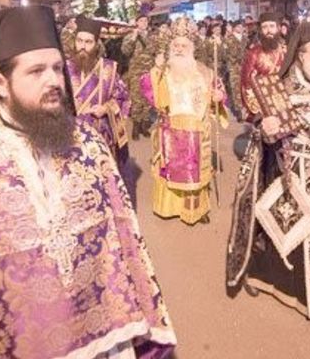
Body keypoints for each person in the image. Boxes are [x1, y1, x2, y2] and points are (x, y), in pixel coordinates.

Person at [0, 6, 176, 359]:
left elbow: (125, 236)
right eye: (37, 71)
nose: (55, 80)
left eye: (57, 68)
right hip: (12, 344)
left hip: (103, 335)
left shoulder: (88, 142)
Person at [226, 18, 310, 320]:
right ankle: (279, 283)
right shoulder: (282, 90)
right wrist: (265, 127)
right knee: (287, 237)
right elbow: (263, 135)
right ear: (299, 56)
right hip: (291, 178)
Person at [142, 17, 228, 225]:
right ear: (171, 48)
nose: (179, 49)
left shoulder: (205, 72)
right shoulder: (163, 71)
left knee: (195, 172)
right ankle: (169, 208)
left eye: (184, 46)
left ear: (191, 48)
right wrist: (156, 71)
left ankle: (195, 211)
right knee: (170, 170)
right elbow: (148, 90)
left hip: (196, 130)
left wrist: (219, 97)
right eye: (176, 46)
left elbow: (219, 93)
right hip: (171, 130)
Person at [66, 16, 130, 163]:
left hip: (100, 136)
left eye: (88, 42)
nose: (82, 46)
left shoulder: (108, 68)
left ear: (96, 44)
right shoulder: (64, 68)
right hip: (70, 136)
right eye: (79, 41)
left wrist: (106, 108)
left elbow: (123, 98)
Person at [240, 12, 286, 122]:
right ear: (261, 30)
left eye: (271, 26)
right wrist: (257, 109)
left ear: (278, 28)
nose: (268, 30)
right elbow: (246, 83)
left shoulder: (286, 51)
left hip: (284, 104)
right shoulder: (254, 53)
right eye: (264, 27)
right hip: (262, 105)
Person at [121, 14, 155, 139]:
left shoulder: (151, 37)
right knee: (136, 100)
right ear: (136, 22)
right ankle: (136, 126)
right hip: (135, 72)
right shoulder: (130, 36)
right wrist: (134, 38)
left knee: (147, 100)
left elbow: (153, 50)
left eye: (145, 20)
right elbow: (125, 51)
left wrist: (144, 37)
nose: (144, 22)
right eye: (141, 20)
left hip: (148, 72)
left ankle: (143, 126)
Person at [224, 20, 249, 120]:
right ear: (234, 28)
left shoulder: (245, 39)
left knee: (244, 88)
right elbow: (227, 54)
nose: (240, 28)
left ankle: (244, 108)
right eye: (238, 26)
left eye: (242, 26)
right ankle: (238, 110)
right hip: (234, 67)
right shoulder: (229, 39)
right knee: (235, 88)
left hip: (245, 66)